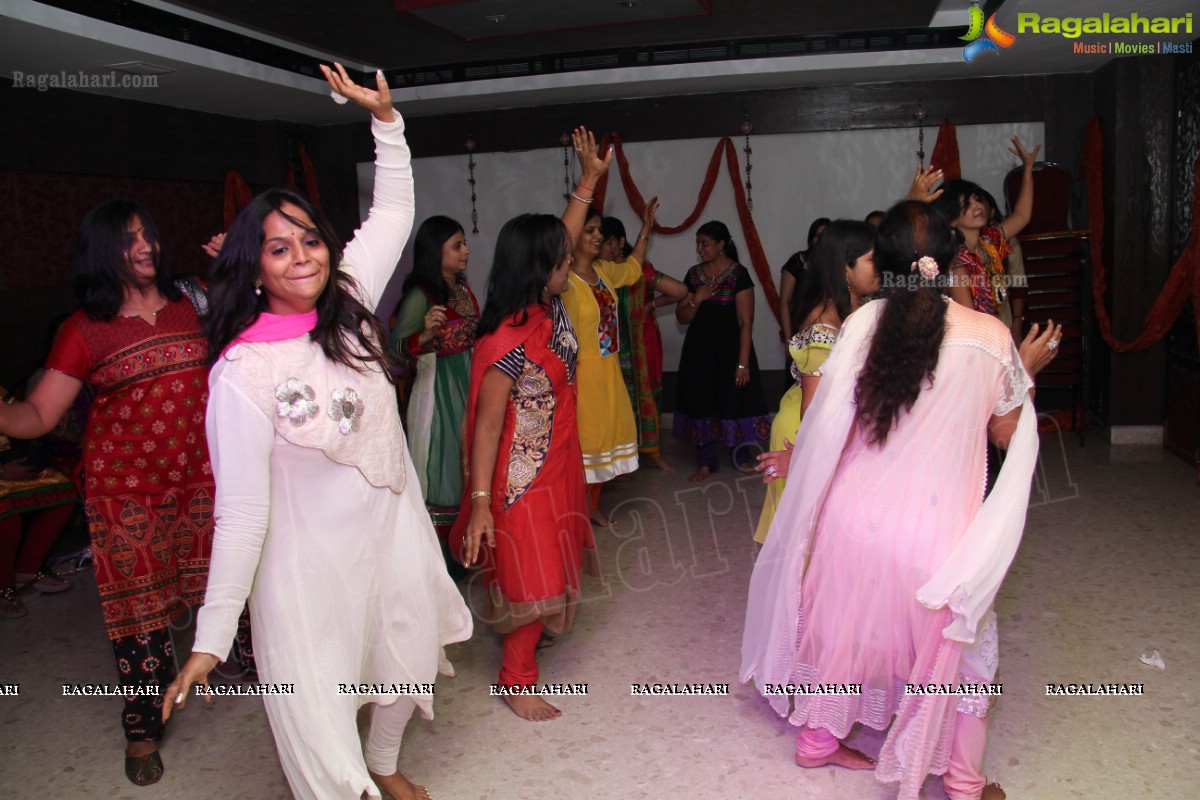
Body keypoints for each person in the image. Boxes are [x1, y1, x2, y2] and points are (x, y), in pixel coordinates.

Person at [164, 65, 472, 800]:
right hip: (305, 571)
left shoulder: (352, 299)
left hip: (392, 528)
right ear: (256, 267)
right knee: (318, 722)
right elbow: (238, 512)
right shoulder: (242, 372)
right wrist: (211, 639)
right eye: (279, 247)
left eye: (309, 239)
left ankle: (387, 761)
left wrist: (387, 126)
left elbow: (394, 211)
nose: (302, 255)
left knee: (409, 657)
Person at [742, 201, 1062, 800]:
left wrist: (799, 474)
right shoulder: (992, 339)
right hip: (938, 537)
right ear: (950, 260)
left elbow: (830, 423)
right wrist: (1027, 372)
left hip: (852, 525)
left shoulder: (863, 325)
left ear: (883, 264)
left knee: (844, 635)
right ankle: (964, 785)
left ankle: (816, 741)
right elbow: (1006, 435)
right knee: (965, 660)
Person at [0, 198, 215, 785]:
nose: (145, 247)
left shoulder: (192, 299)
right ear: (100, 251)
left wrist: (241, 268)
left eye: (148, 235)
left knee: (232, 583)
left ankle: (247, 670)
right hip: (127, 491)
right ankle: (143, 727)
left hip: (204, 476)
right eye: (128, 239)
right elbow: (40, 417)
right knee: (140, 611)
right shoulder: (82, 330)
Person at [453, 127, 607, 722]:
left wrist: (589, 180)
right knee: (533, 569)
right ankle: (517, 679)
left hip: (559, 461)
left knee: (547, 562)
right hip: (519, 479)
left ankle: (526, 642)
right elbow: (486, 429)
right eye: (564, 260)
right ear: (540, 267)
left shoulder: (549, 306)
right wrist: (485, 502)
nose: (573, 260)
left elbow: (559, 238)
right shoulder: (504, 340)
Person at [753, 220, 878, 543]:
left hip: (831, 427)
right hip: (805, 431)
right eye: (872, 260)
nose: (880, 268)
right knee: (803, 540)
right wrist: (802, 456)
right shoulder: (823, 322)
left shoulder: (856, 306)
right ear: (845, 268)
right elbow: (813, 404)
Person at [561, 196, 658, 526]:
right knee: (587, 447)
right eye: (588, 230)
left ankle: (591, 508)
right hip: (581, 374)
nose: (598, 235)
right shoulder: (563, 282)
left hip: (609, 370)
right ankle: (575, 513)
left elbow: (632, 270)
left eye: (599, 230)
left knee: (606, 443)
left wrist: (645, 229)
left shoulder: (602, 271)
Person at [389, 216, 478, 553]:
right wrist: (423, 335)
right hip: (439, 396)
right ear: (434, 252)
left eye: (463, 242)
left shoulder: (461, 288)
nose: (465, 250)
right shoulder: (419, 296)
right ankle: (443, 553)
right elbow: (392, 354)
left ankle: (467, 543)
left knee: (471, 463)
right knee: (445, 471)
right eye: (457, 245)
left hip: (468, 388)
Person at [674, 221, 770, 482]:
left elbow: (745, 322)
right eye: (698, 243)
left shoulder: (739, 274)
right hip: (700, 353)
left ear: (721, 245)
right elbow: (682, 317)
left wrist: (742, 363)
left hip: (732, 353)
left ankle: (740, 457)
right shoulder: (694, 275)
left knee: (734, 402)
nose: (700, 248)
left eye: (705, 243)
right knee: (702, 401)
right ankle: (706, 462)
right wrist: (698, 298)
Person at [600, 217, 689, 472]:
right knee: (617, 399)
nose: (604, 247)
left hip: (641, 342)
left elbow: (680, 291)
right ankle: (620, 461)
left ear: (619, 241)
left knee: (646, 395)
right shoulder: (598, 271)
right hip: (611, 346)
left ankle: (652, 452)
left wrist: (650, 305)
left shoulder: (640, 270)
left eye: (607, 242)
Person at [933, 137, 1040, 318]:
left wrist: (1028, 169)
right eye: (966, 204)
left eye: (977, 199)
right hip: (976, 338)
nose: (978, 206)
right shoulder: (956, 262)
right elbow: (970, 320)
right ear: (950, 219)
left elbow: (1021, 216)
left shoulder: (989, 241)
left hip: (993, 331)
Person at [1, 385, 77, 618]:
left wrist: (46, 421)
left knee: (63, 493)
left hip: (7, 462)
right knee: (6, 516)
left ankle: (27, 571)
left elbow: (22, 414)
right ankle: (3, 587)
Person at [778, 217, 829, 343]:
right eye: (818, 235)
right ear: (811, 239)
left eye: (826, 235)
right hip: (801, 331)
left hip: (830, 331)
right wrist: (789, 337)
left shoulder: (839, 265)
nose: (821, 239)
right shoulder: (798, 261)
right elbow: (785, 301)